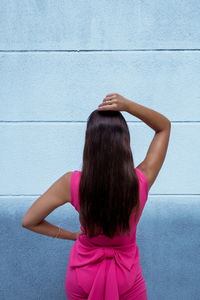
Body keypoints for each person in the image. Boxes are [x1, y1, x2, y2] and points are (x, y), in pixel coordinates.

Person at [22, 93, 171, 300]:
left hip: (82, 275)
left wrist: (71, 235)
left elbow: (29, 221)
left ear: (89, 143)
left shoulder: (71, 183)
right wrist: (127, 106)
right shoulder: (142, 180)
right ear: (125, 142)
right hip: (127, 276)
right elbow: (164, 127)